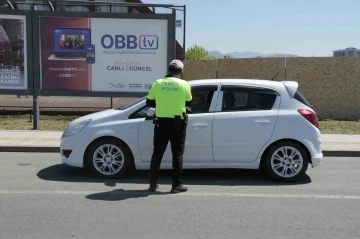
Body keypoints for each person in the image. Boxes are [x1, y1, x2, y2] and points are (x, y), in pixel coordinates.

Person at [146, 59, 192, 193]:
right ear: (181, 72)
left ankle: (153, 185)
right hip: (178, 123)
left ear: (168, 70)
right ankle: (176, 185)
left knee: (157, 154)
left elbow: (149, 102)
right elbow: (189, 102)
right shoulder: (185, 84)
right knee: (177, 154)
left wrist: (161, 104)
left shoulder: (157, 83)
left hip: (161, 123)